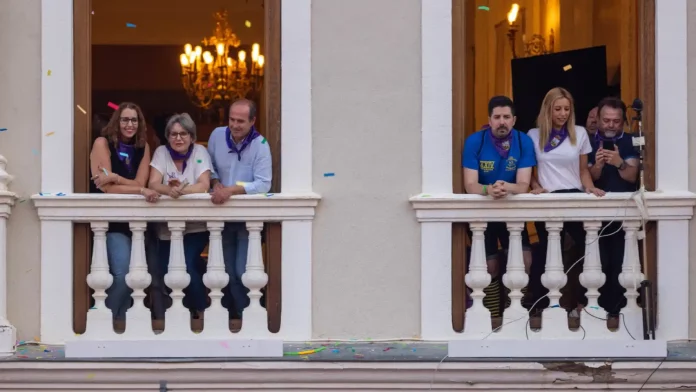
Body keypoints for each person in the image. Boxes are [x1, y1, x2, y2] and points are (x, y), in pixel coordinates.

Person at [528, 88, 604, 312]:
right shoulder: (533, 135)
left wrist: (591, 188)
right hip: (548, 199)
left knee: (585, 250)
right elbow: (530, 171)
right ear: (547, 109)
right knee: (547, 253)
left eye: (567, 109)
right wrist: (535, 187)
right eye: (557, 109)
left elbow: (582, 170)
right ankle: (541, 305)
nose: (562, 114)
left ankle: (583, 303)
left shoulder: (579, 133)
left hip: (574, 197)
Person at [462, 96, 536, 318]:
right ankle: (493, 316)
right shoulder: (475, 141)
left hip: (513, 211)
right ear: (489, 120)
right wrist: (487, 191)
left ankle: (515, 313)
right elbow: (469, 184)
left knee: (524, 262)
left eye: (506, 117)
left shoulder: (523, 141)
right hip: (483, 211)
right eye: (497, 117)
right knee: (490, 267)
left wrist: (506, 187)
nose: (501, 122)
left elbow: (524, 185)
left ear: (514, 120)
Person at [89, 102, 159, 322]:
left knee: (137, 278)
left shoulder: (143, 146)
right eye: (125, 119)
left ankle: (120, 322)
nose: (130, 124)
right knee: (121, 276)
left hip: (137, 222)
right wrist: (139, 189)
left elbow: (140, 180)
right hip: (111, 222)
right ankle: (104, 320)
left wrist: (117, 178)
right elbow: (106, 188)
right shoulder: (102, 143)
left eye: (134, 120)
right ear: (116, 122)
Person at [207, 99, 272, 319]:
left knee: (242, 273)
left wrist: (232, 190)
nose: (234, 125)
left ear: (253, 121)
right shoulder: (217, 135)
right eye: (232, 119)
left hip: (246, 222)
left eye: (241, 121)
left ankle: (250, 318)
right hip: (220, 218)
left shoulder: (261, 145)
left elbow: (264, 184)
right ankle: (232, 318)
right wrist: (215, 182)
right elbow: (210, 167)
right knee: (224, 274)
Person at [147, 113, 213, 319]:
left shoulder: (200, 151)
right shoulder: (161, 153)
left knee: (188, 265)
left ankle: (200, 310)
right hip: (167, 228)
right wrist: (169, 190)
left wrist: (182, 191)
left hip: (196, 226)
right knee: (170, 271)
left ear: (192, 137)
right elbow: (153, 183)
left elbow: (204, 185)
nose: (178, 138)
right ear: (168, 137)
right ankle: (185, 311)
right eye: (173, 134)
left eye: (183, 134)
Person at [588, 97, 639, 316]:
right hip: (593, 216)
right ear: (597, 119)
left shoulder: (632, 141)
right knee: (597, 264)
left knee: (621, 264)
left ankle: (617, 313)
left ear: (623, 122)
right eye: (606, 120)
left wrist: (619, 161)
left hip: (624, 215)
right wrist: (598, 166)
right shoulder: (587, 142)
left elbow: (632, 176)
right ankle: (594, 311)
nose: (610, 125)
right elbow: (586, 179)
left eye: (616, 121)